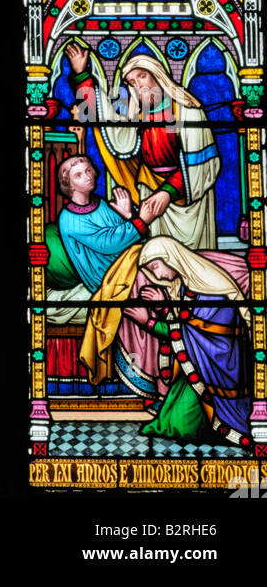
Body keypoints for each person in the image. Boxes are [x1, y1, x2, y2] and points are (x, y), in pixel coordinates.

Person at [65, 44, 220, 249]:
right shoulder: (139, 119)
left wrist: (167, 192)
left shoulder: (188, 113)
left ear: (158, 76)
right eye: (132, 82)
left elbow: (203, 166)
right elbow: (100, 117)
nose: (139, 85)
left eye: (142, 76)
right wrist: (81, 75)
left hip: (189, 201)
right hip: (149, 193)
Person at [125, 237, 253, 447]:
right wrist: (164, 309)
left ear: (172, 258)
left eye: (156, 266)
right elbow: (187, 328)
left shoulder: (211, 287)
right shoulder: (186, 286)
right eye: (150, 270)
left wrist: (149, 321)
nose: (156, 275)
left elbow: (197, 333)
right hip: (200, 365)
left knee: (181, 426)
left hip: (220, 370)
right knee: (169, 422)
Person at [54, 154, 150, 291]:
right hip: (107, 281)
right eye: (78, 175)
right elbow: (107, 243)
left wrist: (128, 215)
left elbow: (128, 239)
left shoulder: (101, 204)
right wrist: (141, 221)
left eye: (88, 170)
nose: (87, 177)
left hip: (127, 266)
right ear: (68, 184)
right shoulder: (69, 219)